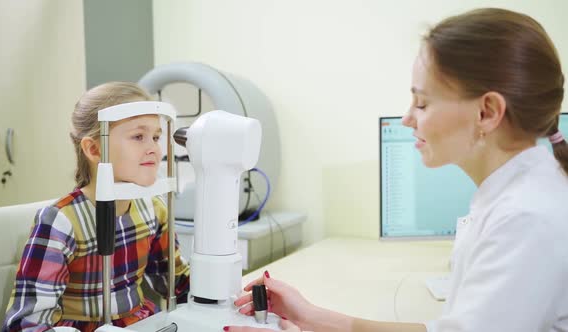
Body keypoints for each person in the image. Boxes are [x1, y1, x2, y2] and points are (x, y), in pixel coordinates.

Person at [228, 7, 568, 332]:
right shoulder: (520, 195)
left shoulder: (526, 218)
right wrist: (315, 319)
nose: (407, 119)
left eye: (422, 103)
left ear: (487, 112)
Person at [2, 82, 190, 332]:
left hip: (139, 323)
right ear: (93, 149)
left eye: (156, 137)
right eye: (138, 136)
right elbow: (25, 325)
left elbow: (177, 282)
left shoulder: (154, 209)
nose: (154, 148)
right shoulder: (60, 222)